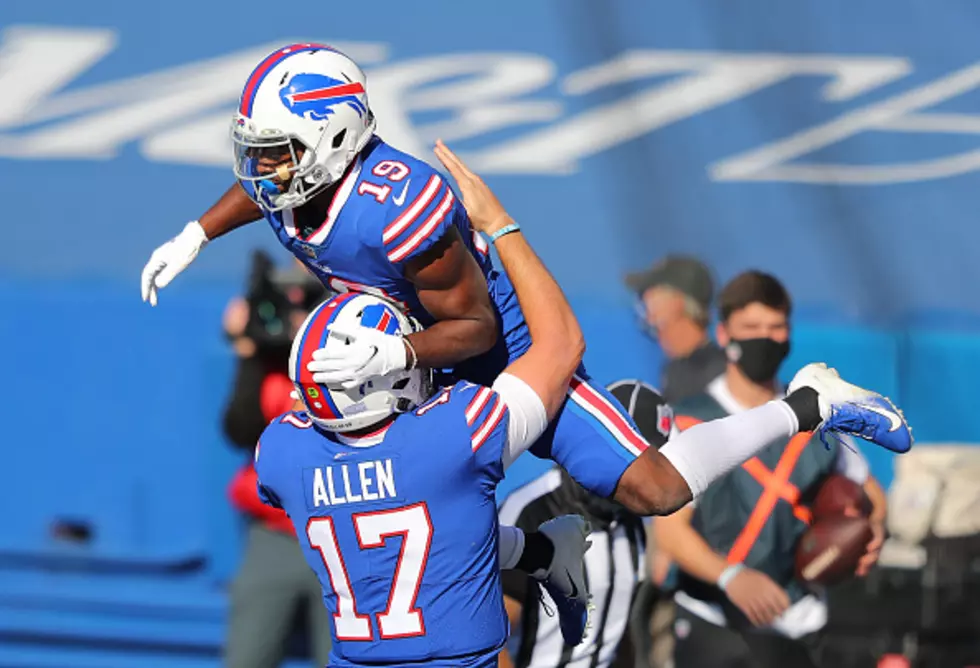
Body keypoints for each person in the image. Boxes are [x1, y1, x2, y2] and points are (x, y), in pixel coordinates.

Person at [139, 47, 912, 543]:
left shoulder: (400, 206)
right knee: (390, 513)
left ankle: (812, 403)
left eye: (279, 153)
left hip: (493, 353)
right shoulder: (305, 176)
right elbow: (266, 193)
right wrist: (197, 233)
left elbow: (471, 329)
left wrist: (399, 350)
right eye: (260, 152)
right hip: (404, 360)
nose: (262, 172)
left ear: (335, 142)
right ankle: (538, 558)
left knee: (651, 487)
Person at [254, 144, 594, 667]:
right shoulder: (452, 434)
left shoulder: (284, 451)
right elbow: (564, 344)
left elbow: (385, 528)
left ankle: (542, 554)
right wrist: (501, 227)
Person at [655, 271, 888, 668]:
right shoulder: (693, 420)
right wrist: (731, 577)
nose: (764, 337)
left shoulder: (818, 415)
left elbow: (872, 498)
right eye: (752, 327)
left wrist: (870, 536)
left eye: (775, 327)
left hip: (800, 623)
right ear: (725, 334)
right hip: (714, 621)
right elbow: (670, 533)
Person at [496, 381, 672, 668]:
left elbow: (614, 629)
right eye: (635, 459)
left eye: (655, 461)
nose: (644, 476)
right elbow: (490, 643)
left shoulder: (631, 523)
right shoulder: (530, 514)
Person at [220, 255, 333, 668]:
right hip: (274, 534)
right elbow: (239, 429)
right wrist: (248, 350)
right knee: (248, 656)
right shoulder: (267, 367)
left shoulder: (350, 352)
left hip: (344, 531)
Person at [625, 256, 726, 403]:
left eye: (651, 296)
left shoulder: (717, 371)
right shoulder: (675, 369)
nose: (645, 308)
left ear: (677, 302)